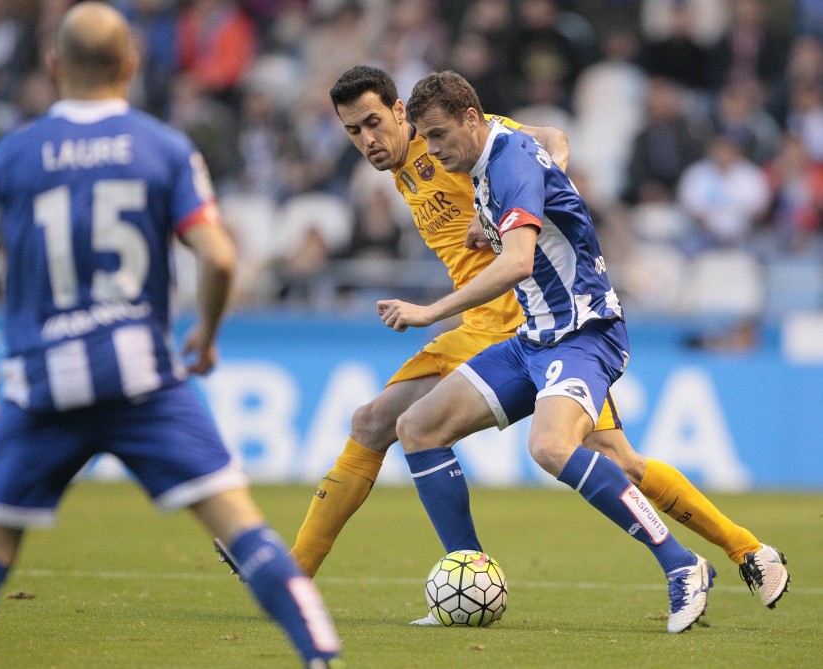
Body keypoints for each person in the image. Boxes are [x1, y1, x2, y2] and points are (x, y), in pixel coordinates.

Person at [290, 65, 789, 619]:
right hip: (519, 326)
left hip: (526, 320)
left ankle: (296, 574)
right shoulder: (415, 160)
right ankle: (745, 549)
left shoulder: (475, 143)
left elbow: (547, 143)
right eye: (353, 131)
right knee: (403, 425)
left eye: (374, 123)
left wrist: (527, 201)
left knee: (570, 452)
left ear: (402, 112)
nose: (367, 140)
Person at [0, 4, 342, 668]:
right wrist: (204, 331)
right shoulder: (163, 147)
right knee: (241, 526)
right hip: (141, 375)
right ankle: (323, 656)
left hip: (42, 379)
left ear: (54, 66)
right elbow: (221, 257)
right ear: (132, 65)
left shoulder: (11, 156)